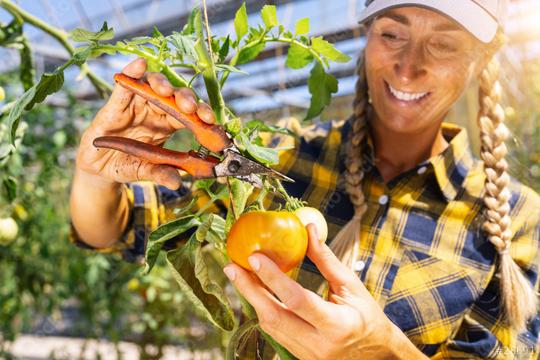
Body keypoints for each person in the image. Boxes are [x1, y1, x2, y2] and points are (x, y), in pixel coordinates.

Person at [70, 0, 540, 358]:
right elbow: (120, 227)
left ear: (480, 61)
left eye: (442, 43)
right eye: (392, 34)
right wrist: (95, 173)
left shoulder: (519, 221)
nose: (408, 64)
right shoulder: (283, 157)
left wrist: (379, 350)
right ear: (367, 40)